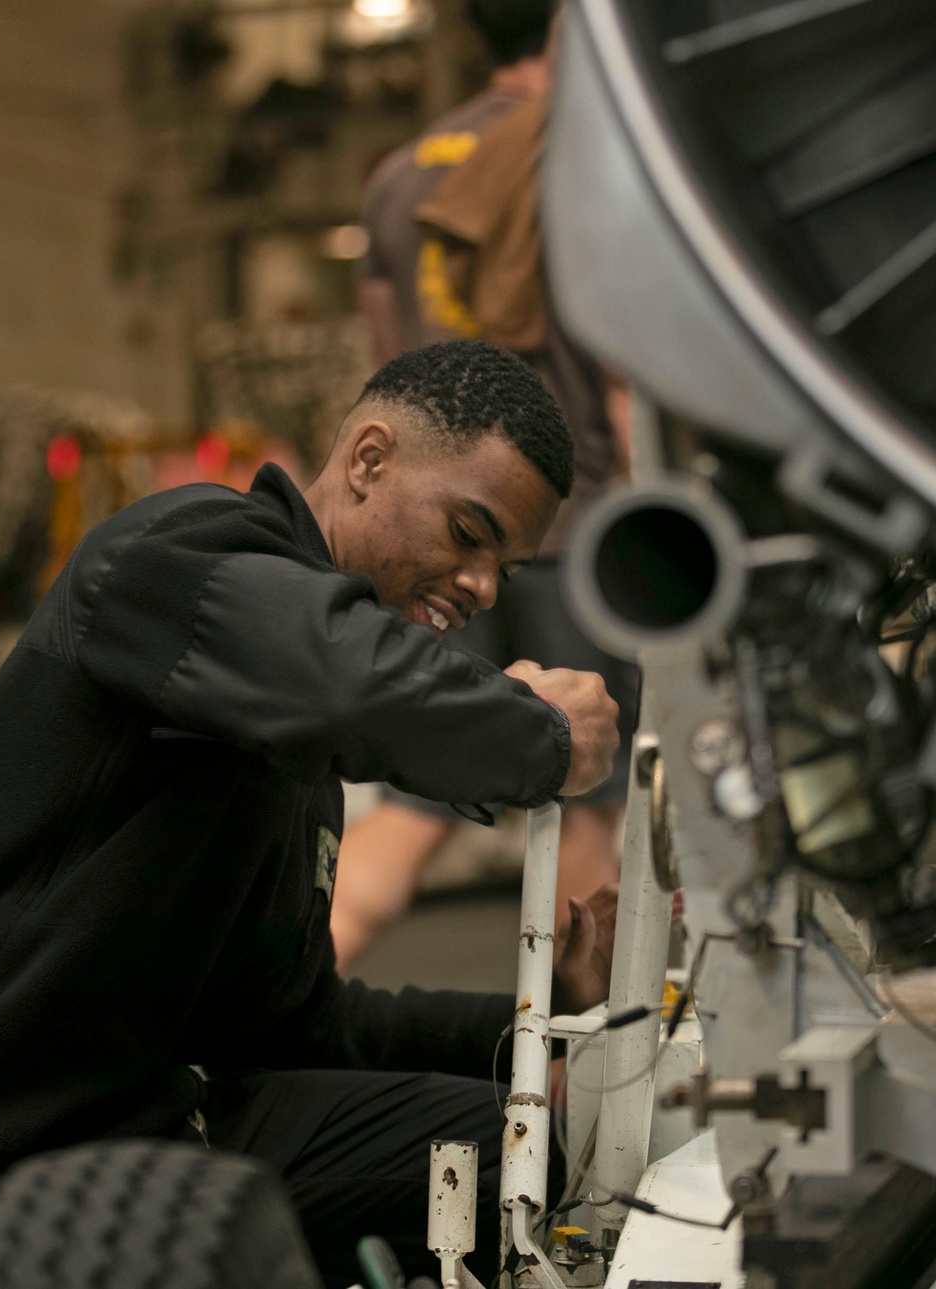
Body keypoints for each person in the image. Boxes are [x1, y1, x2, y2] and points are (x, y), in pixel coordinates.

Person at [0, 341, 619, 1288]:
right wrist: (542, 734)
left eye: (507, 563)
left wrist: (546, 1021)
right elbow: (354, 689)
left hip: (173, 1124)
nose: (485, 587)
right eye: (469, 533)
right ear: (369, 460)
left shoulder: (296, 752)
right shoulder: (179, 557)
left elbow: (298, 1030)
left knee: (549, 1146)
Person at [334, 0, 636, 968]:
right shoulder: (576, 152)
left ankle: (270, 1001)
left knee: (416, 811)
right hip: (573, 529)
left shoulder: (395, 179)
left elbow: (392, 377)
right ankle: (562, 1092)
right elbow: (625, 371)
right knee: (584, 808)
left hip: (432, 542)